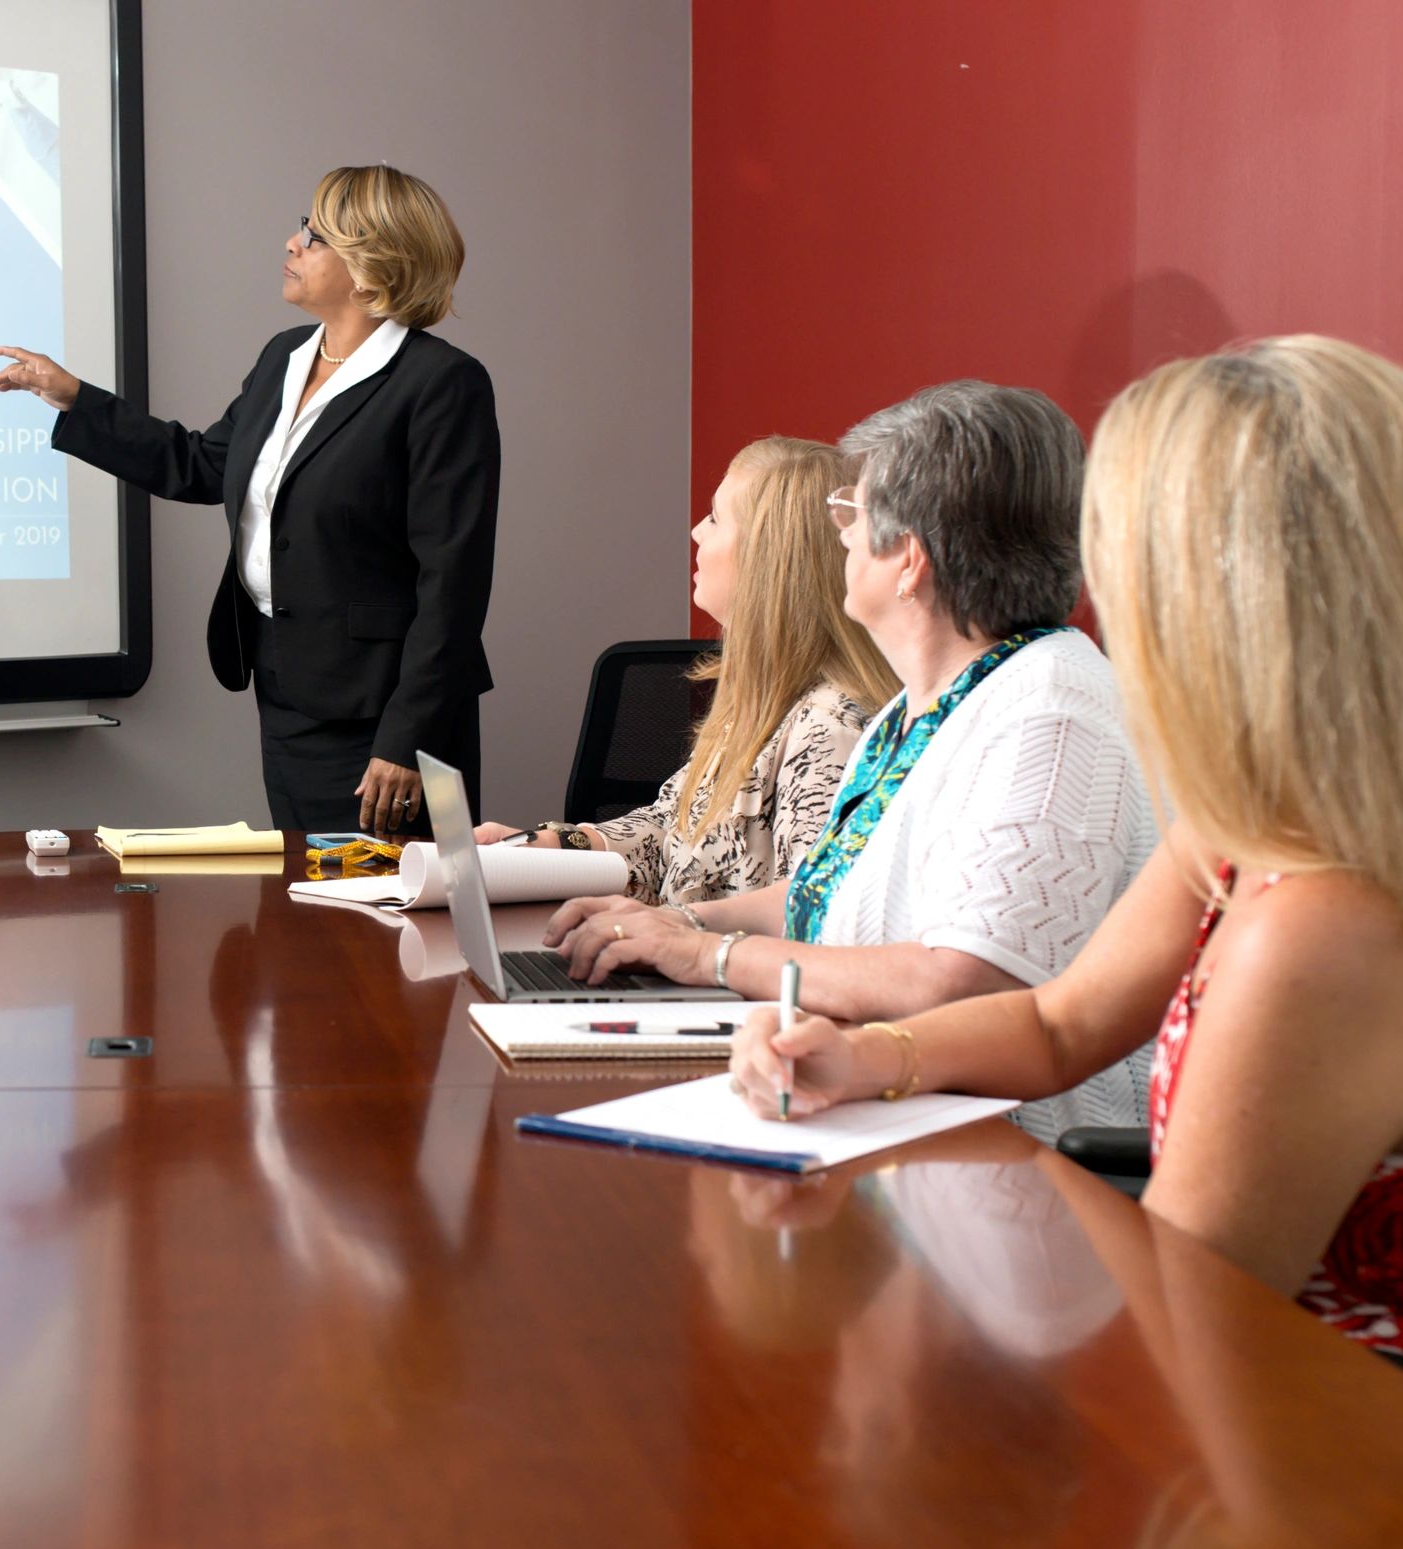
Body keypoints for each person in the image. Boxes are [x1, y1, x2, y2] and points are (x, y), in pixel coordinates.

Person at [730, 336, 1403, 1361]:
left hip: (1308, 1469)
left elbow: (1186, 1327)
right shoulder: (1242, 828)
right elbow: (1056, 1023)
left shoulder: (1316, 930)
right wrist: (864, 1060)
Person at [545, 380, 1156, 1138]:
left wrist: (711, 955)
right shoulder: (923, 703)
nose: (837, 535)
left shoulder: (1052, 711)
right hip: (888, 1112)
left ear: (908, 558)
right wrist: (670, 923)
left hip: (1006, 1152)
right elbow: (823, 892)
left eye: (851, 514)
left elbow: (960, 983)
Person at [0, 164, 499, 836]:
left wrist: (407, 739)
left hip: (388, 718)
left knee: (391, 927)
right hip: (287, 693)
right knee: (310, 916)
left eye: (315, 237)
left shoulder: (442, 385)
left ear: (373, 264)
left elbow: (452, 586)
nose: (291, 244)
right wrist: (78, 400)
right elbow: (203, 465)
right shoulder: (285, 357)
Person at [474, 435, 897, 904]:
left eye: (715, 518)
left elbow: (812, 914)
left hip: (720, 975)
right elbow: (666, 835)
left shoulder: (830, 728)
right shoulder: (757, 701)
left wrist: (679, 936)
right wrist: (550, 845)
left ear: (767, 556)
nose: (697, 531)